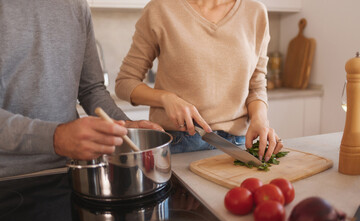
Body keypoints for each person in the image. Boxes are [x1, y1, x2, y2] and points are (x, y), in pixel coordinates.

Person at [0, 0, 162, 178]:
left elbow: (91, 89)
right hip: (9, 177)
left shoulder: (76, 5)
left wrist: (123, 126)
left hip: (69, 169)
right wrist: (55, 137)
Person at [115, 0, 284, 160]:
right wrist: (166, 98)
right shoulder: (160, 9)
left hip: (236, 146)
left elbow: (256, 86)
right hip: (177, 144)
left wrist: (260, 120)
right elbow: (125, 82)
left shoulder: (255, 12)